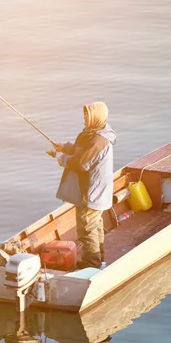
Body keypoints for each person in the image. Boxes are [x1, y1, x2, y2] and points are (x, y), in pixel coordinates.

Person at [50, 102, 116, 269]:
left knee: (87, 230)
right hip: (98, 192)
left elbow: (81, 163)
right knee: (95, 227)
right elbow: (83, 151)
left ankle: (91, 265)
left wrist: (62, 160)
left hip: (92, 193)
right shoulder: (96, 133)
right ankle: (99, 261)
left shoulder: (97, 140)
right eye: (84, 114)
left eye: (87, 114)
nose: (84, 117)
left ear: (95, 117)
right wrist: (65, 148)